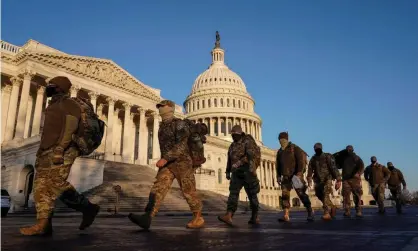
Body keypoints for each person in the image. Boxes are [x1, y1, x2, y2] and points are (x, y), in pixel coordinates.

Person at [20, 76, 100, 236]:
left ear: (59, 88)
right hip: (46, 150)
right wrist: (42, 150)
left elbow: (71, 126)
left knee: (55, 182)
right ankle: (44, 223)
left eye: (52, 85)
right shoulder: (54, 105)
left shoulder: (68, 104)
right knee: (40, 186)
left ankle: (88, 208)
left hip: (63, 149)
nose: (48, 87)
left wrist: (60, 148)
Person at [128, 100, 204, 229]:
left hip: (182, 162)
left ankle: (198, 217)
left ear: (170, 108)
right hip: (168, 164)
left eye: (162, 106)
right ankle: (147, 216)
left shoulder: (179, 124)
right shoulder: (162, 126)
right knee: (158, 188)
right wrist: (166, 160)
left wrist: (165, 158)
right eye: (159, 107)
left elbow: (182, 144)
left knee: (188, 190)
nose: (160, 109)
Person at [218, 125, 261, 226]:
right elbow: (230, 159)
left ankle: (255, 216)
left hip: (248, 172)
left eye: (235, 135)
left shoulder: (248, 140)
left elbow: (251, 154)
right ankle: (229, 215)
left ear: (240, 134)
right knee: (233, 194)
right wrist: (228, 171)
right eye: (232, 135)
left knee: (252, 195)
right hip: (236, 173)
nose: (233, 137)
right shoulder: (232, 145)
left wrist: (240, 162)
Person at [276, 132, 314, 222]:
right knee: (285, 196)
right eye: (280, 140)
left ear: (287, 139)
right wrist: (278, 176)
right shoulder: (280, 151)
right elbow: (278, 165)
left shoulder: (294, 148)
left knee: (301, 194)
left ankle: (310, 211)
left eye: (283, 139)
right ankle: (286, 215)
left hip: (295, 176)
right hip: (285, 177)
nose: (281, 141)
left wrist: (299, 172)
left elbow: (300, 161)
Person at [307, 143, 342, 220]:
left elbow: (333, 168)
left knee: (325, 193)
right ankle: (332, 207)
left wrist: (338, 180)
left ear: (321, 148)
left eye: (318, 148)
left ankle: (326, 212)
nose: (317, 150)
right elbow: (310, 169)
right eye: (316, 149)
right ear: (314, 149)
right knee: (319, 195)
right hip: (318, 180)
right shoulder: (313, 159)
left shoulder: (328, 156)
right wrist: (309, 179)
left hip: (327, 178)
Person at [333, 145, 364, 218]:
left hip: (354, 179)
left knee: (356, 195)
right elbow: (334, 159)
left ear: (352, 150)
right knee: (346, 195)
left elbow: (361, 166)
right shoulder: (343, 158)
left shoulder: (356, 157)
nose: (348, 151)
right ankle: (347, 211)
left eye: (349, 150)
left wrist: (358, 173)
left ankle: (358, 211)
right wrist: (341, 152)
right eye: (347, 150)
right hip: (345, 179)